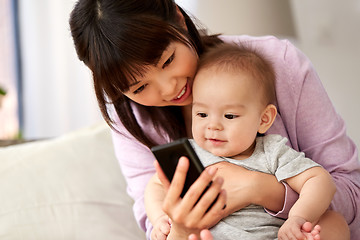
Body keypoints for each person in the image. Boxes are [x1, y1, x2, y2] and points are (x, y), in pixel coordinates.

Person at [68, 0, 360, 239]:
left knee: (331, 225)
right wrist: (180, 229)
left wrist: (262, 189)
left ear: (180, 20)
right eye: (140, 87)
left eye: (167, 60)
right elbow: (153, 212)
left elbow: (349, 190)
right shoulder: (130, 116)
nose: (169, 89)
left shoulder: (271, 66)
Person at [145, 43, 346, 240]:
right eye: (202, 113)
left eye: (230, 116)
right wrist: (160, 219)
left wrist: (298, 218)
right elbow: (155, 186)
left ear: (264, 119)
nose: (212, 126)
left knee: (334, 223)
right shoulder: (189, 154)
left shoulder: (270, 151)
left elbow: (319, 181)